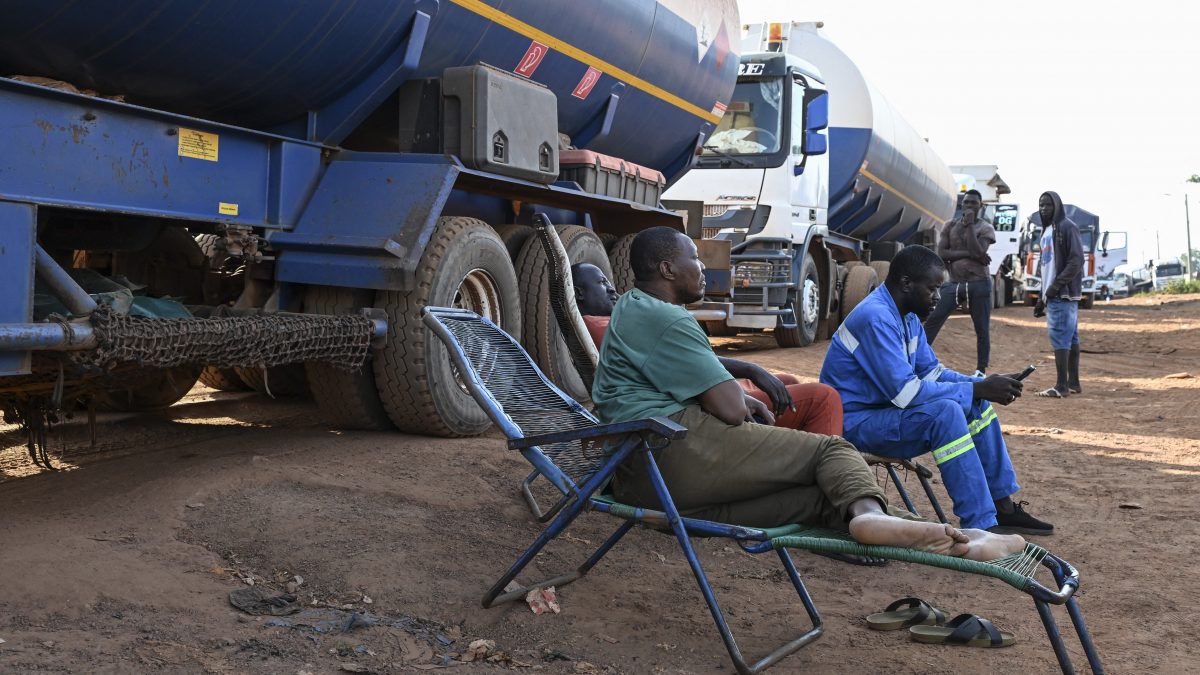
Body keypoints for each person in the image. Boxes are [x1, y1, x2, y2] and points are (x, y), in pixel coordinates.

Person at [590, 226, 1025, 561]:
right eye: (694, 257)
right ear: (667, 269)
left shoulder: (632, 307)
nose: (703, 265)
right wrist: (741, 396)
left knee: (820, 500)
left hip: (643, 480)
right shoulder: (670, 320)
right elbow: (727, 410)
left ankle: (957, 539)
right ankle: (893, 519)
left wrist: (742, 373)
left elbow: (685, 368)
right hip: (672, 450)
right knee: (830, 453)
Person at [819, 245, 1053, 536]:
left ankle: (1003, 508)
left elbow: (934, 374)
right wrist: (979, 387)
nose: (939, 298)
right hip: (855, 424)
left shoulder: (907, 317)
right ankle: (981, 523)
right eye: (933, 289)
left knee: (976, 405)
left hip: (882, 414)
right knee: (947, 412)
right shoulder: (876, 318)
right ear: (906, 284)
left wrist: (982, 385)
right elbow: (905, 394)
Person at [572, 262, 840, 435]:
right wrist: (749, 369)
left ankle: (795, 449)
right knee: (822, 398)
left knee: (788, 382)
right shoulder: (606, 324)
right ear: (580, 294)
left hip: (689, 389)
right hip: (690, 400)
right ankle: (805, 461)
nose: (611, 289)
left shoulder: (614, 320)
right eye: (601, 283)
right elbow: (686, 365)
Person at [922, 189, 996, 375]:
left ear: (981, 206)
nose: (970, 206)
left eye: (974, 203)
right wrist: (972, 254)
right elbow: (942, 254)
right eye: (967, 203)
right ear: (962, 205)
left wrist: (970, 226)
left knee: (981, 328)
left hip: (979, 283)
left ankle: (981, 370)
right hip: (954, 283)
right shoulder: (949, 225)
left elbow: (979, 252)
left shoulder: (985, 228)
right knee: (932, 320)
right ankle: (918, 359)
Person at [1033, 191, 1085, 398]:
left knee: (1060, 338)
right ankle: (1073, 383)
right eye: (1041, 205)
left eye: (1048, 205)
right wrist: (1041, 297)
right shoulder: (1047, 231)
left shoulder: (1066, 227)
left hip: (1062, 294)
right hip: (1053, 293)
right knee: (1070, 338)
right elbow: (1047, 269)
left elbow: (1076, 260)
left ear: (1057, 206)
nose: (1044, 208)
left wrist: (1056, 286)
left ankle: (1061, 386)